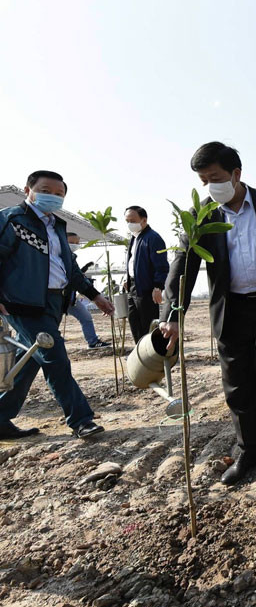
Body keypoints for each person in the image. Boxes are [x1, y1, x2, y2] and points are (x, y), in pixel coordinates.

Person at [160, 142, 256, 485]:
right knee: (238, 386)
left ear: (236, 174)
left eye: (214, 178)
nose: (209, 186)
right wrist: (172, 312)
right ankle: (248, 451)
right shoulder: (202, 215)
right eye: (203, 180)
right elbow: (182, 264)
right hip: (231, 311)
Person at [0, 170, 114, 440]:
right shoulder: (11, 220)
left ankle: (0, 418)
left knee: (28, 361)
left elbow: (70, 269)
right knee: (55, 358)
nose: (53, 197)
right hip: (22, 303)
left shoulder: (57, 226)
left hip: (53, 303)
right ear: (29, 190)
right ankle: (81, 420)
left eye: (59, 194)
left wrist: (95, 295)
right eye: (46, 191)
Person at [123, 206, 169, 342]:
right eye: (127, 221)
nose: (130, 224)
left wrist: (158, 286)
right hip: (133, 287)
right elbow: (133, 262)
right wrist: (128, 279)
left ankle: (151, 355)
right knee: (134, 322)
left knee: (147, 324)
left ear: (144, 220)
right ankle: (139, 353)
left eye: (133, 220)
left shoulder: (153, 238)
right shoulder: (135, 238)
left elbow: (161, 265)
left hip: (146, 289)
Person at [65, 232, 111, 349]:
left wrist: (95, 297)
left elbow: (77, 276)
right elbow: (76, 277)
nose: (75, 245)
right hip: (56, 298)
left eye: (77, 243)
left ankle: (93, 341)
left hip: (70, 298)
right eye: (71, 242)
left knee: (86, 317)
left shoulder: (71, 258)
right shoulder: (57, 256)